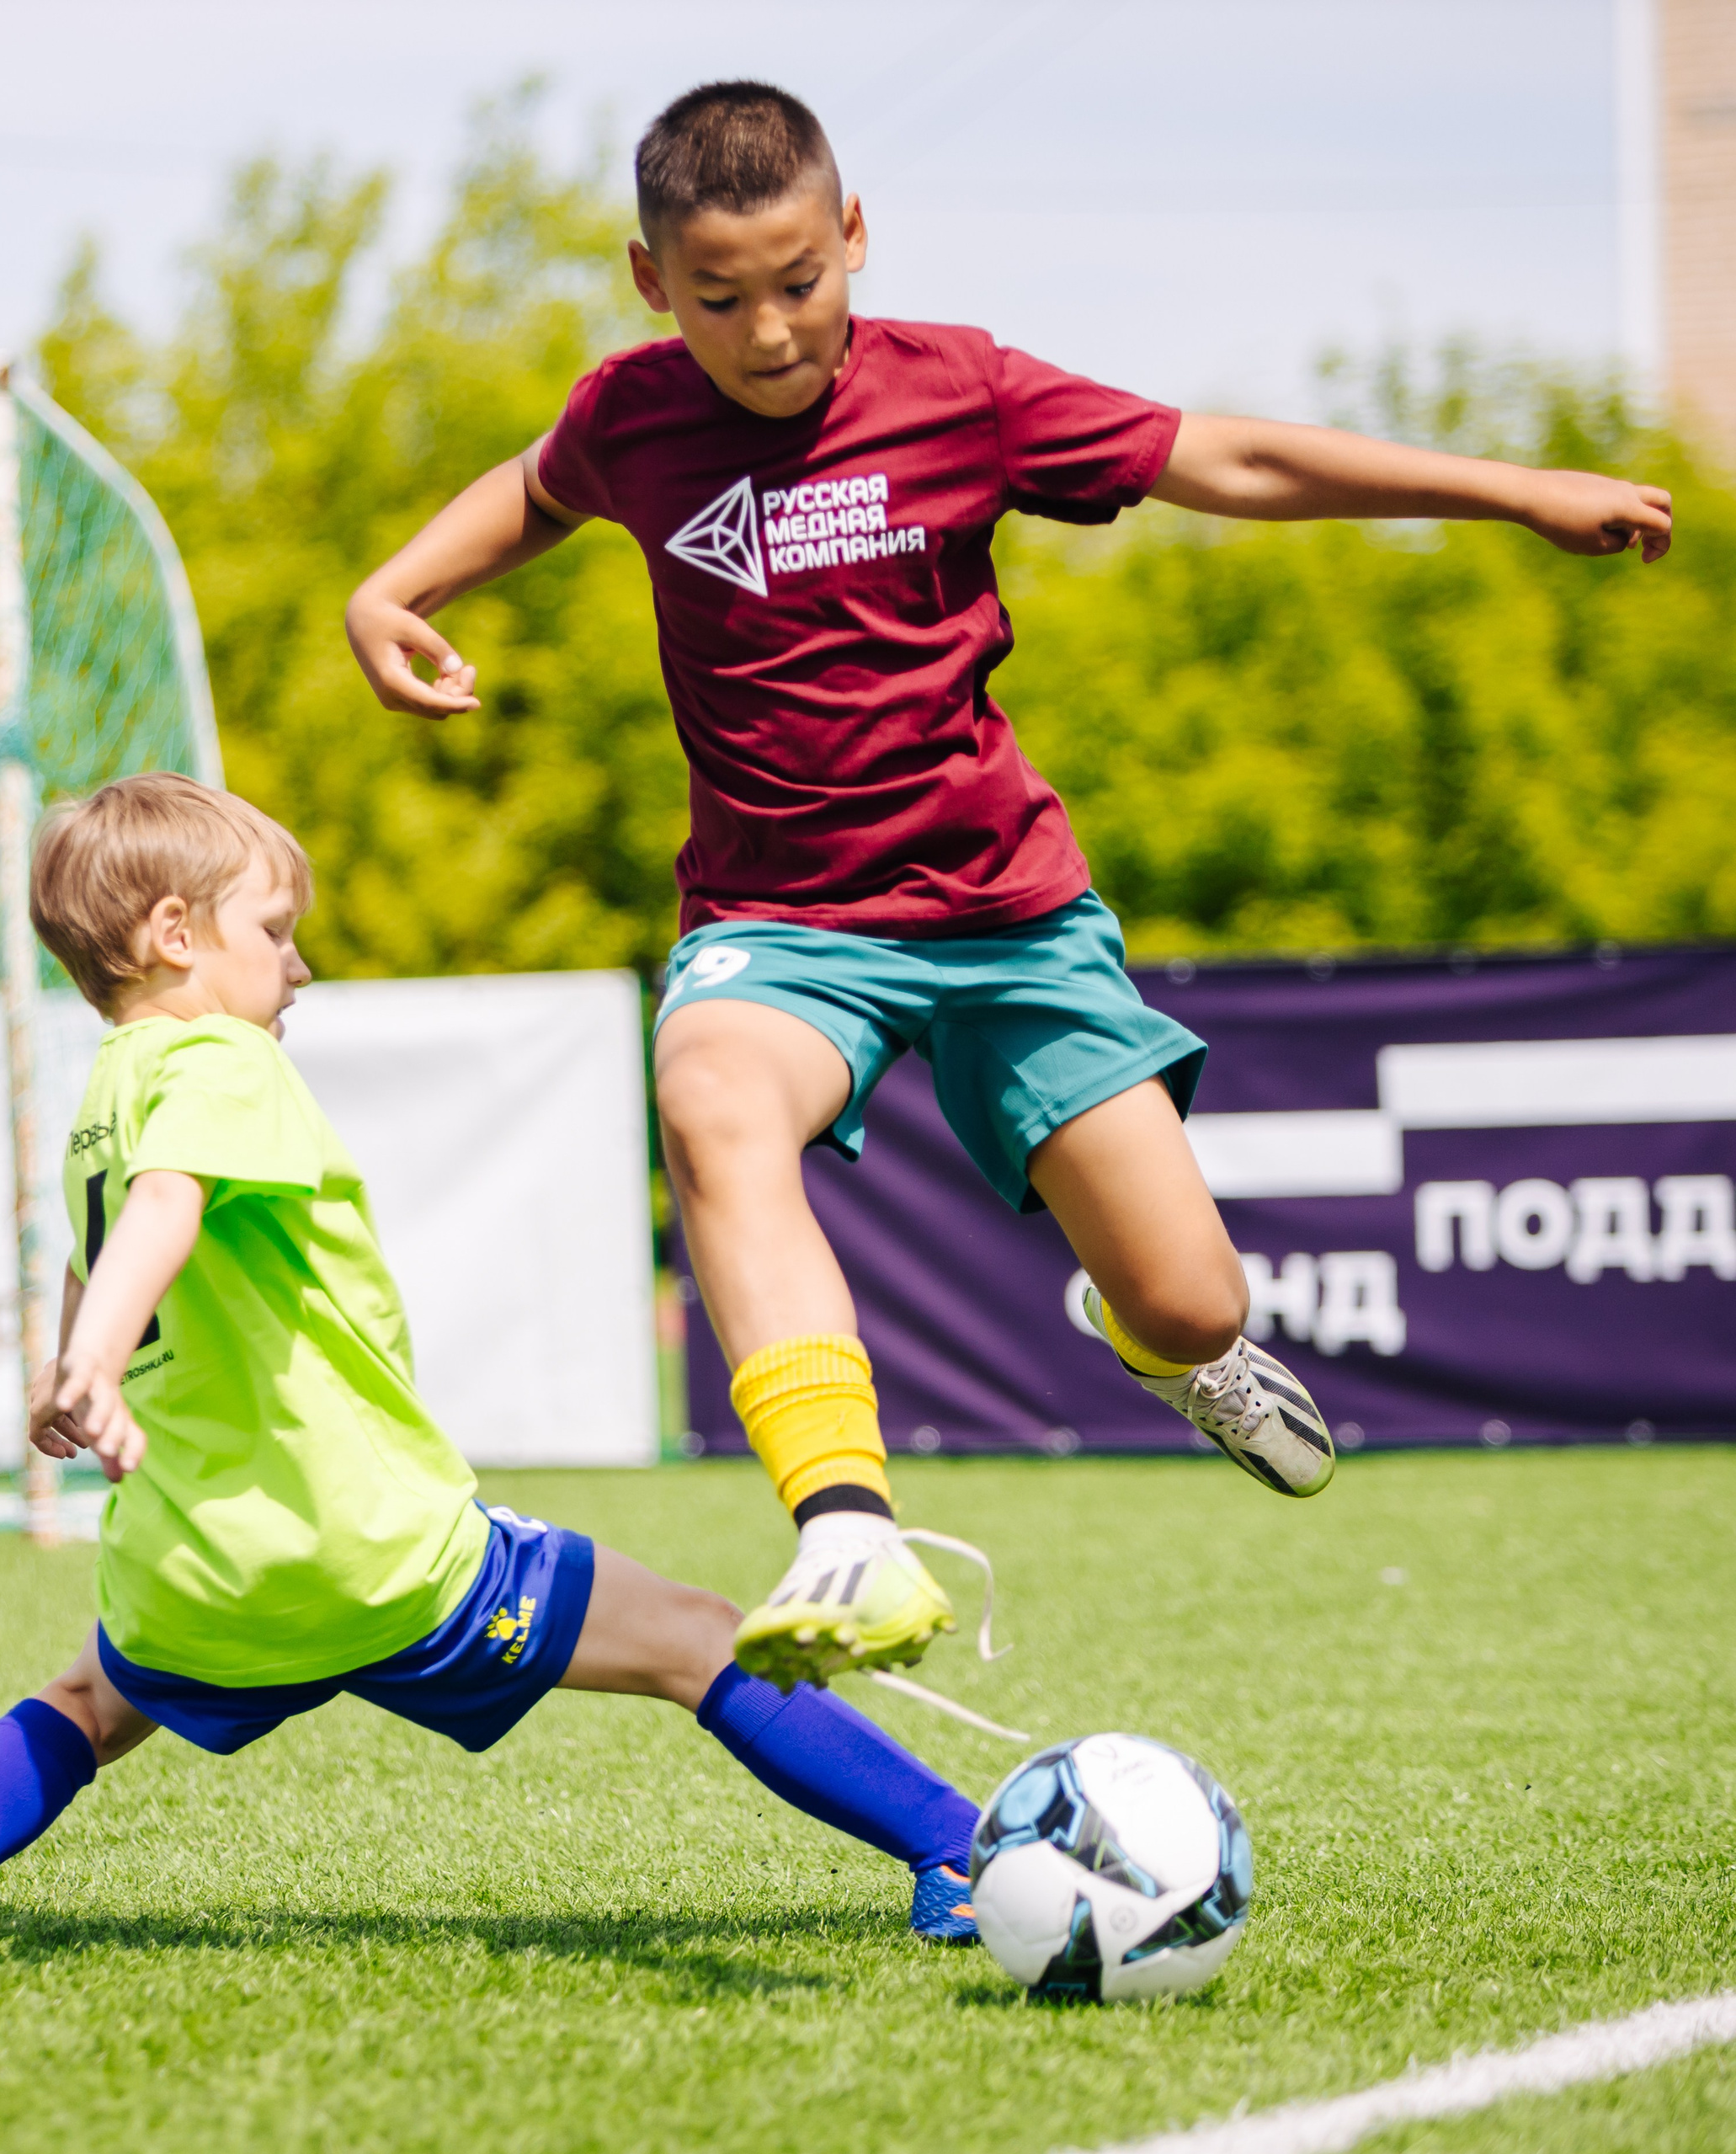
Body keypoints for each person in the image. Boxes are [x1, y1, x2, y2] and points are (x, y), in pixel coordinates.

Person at [342, 81, 1675, 1693]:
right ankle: (845, 1525)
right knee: (707, 1094)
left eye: (798, 284)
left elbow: (1227, 458)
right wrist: (394, 587)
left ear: (853, 237)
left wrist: (1513, 492)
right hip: (782, 927)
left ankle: (1153, 1342)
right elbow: (540, 488)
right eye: (718, 298)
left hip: (1006, 918)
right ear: (649, 282)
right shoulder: (634, 413)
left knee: (1193, 1304)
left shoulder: (957, 390)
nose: (767, 331)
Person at [0, 772, 988, 1954]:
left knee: (86, 1705)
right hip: (373, 1549)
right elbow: (168, 1205)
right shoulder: (223, 1060)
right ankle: (956, 1850)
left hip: (197, 1573)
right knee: (700, 1642)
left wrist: (75, 1359)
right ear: (175, 936)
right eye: (274, 932)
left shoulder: (108, 1089)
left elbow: (107, 1235)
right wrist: (96, 1357)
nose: (300, 964)